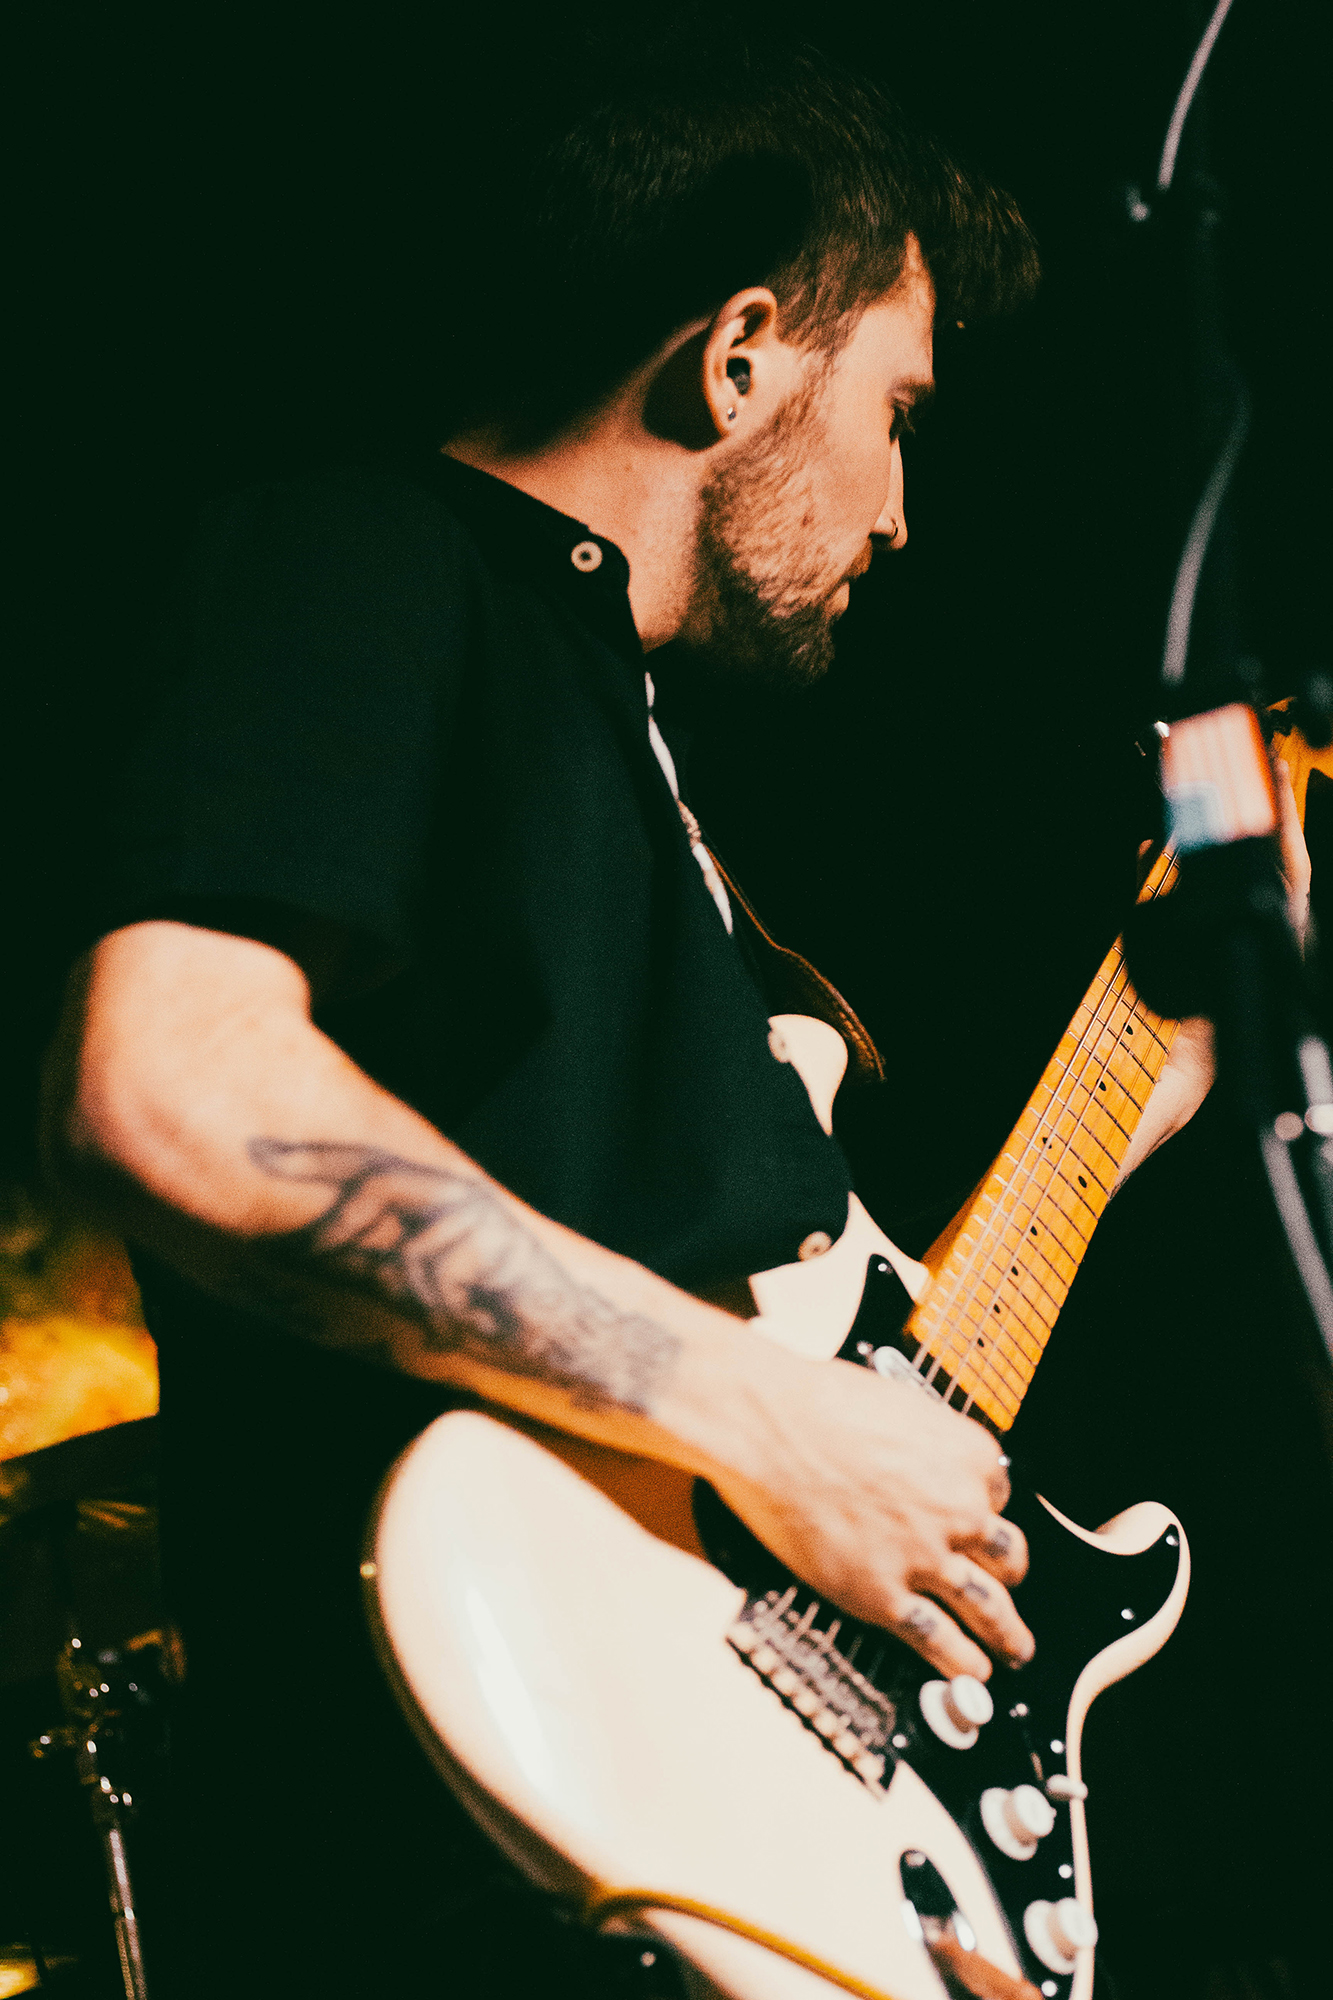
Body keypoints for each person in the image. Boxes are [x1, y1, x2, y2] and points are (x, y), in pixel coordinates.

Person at [44, 42, 1223, 2000]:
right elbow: (167, 1079)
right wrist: (767, 1419)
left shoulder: (643, 780)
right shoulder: (367, 551)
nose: (903, 511)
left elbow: (850, 1358)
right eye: (899, 412)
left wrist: (1141, 1081)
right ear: (739, 355)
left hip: (721, 1828)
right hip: (449, 1843)